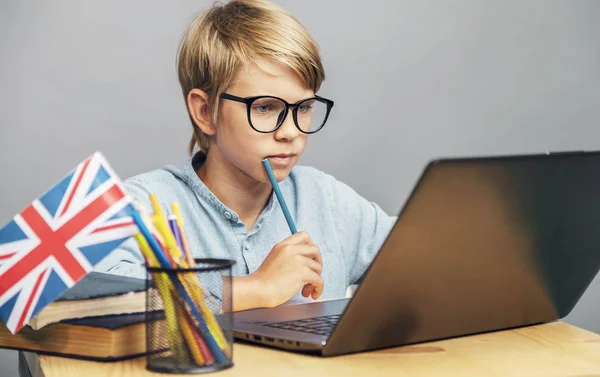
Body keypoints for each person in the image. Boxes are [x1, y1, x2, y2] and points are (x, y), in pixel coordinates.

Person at [95, 0, 396, 312]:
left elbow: (426, 259)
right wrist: (256, 287)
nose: (290, 131)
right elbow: (97, 299)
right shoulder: (144, 205)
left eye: (303, 108)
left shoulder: (326, 199)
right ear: (204, 111)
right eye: (265, 107)